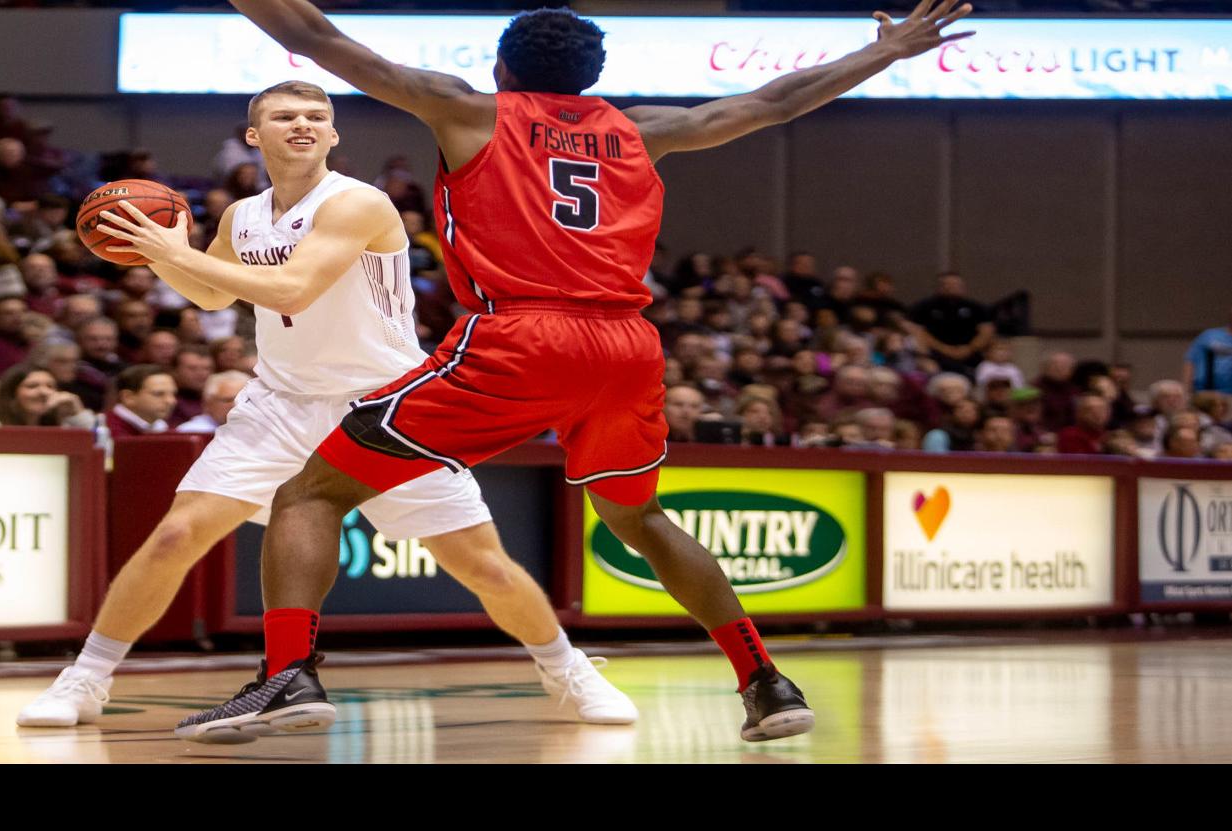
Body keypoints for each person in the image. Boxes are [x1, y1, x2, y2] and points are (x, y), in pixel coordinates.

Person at [178, 0, 972, 742]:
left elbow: (317, 38)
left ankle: (288, 674)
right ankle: (765, 683)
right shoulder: (640, 130)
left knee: (311, 491)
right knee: (641, 519)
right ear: (589, 77)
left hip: (521, 336)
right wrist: (889, 48)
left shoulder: (467, 110)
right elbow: (771, 104)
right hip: (626, 345)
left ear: (501, 68)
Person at [18, 78, 639, 738]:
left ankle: (564, 667)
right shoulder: (243, 216)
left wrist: (177, 253)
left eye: (317, 115)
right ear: (254, 137)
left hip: (386, 406)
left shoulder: (358, 204)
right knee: (177, 534)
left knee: (479, 564)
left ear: (334, 134)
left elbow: (290, 290)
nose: (303, 123)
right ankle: (87, 677)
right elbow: (207, 297)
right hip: (280, 402)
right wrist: (159, 254)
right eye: (284, 116)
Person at [176, 370, 249, 434]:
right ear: (207, 404)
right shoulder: (190, 432)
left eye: (243, 400)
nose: (236, 405)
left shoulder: (256, 429)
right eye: (228, 400)